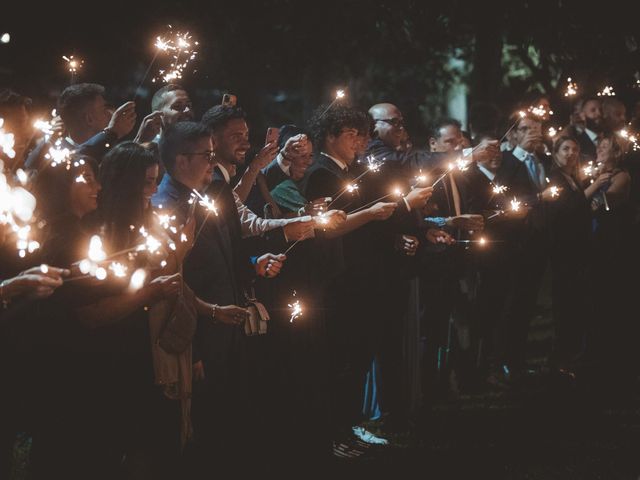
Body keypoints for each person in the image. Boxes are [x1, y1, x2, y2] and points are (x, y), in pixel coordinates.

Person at [152, 121, 285, 476]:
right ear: (181, 160)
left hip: (225, 323)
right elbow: (175, 281)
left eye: (213, 153)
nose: (213, 162)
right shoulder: (166, 207)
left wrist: (255, 264)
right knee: (200, 429)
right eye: (206, 155)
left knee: (226, 420)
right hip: (197, 331)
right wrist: (192, 345)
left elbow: (227, 253)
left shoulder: (204, 196)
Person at [25, 83, 137, 170]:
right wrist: (112, 132)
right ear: (89, 119)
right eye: (104, 110)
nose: (110, 114)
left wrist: (142, 138)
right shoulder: (54, 157)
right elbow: (78, 160)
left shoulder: (107, 150)